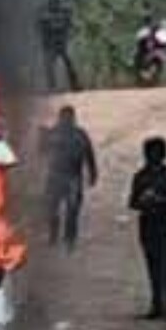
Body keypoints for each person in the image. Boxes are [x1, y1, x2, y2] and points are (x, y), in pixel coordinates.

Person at [128, 136, 166, 321]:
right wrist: (144, 201)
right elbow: (132, 202)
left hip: (163, 223)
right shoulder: (140, 176)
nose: (154, 156)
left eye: (157, 153)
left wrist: (159, 201)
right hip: (148, 224)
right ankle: (157, 305)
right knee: (153, 266)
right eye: (151, 153)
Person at [41, 105, 98, 252]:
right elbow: (42, 152)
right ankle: (53, 235)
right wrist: (42, 137)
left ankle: (69, 239)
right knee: (51, 208)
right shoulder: (52, 133)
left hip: (73, 177)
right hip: (55, 176)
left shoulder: (80, 134)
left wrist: (93, 173)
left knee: (72, 210)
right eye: (64, 118)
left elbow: (89, 154)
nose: (66, 121)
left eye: (69, 118)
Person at [37, 0, 81, 93]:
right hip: (50, 43)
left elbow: (70, 24)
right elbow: (40, 27)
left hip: (62, 42)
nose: (59, 3)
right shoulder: (44, 12)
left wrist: (71, 29)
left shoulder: (65, 11)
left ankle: (75, 85)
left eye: (59, 1)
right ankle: (52, 87)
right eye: (57, 0)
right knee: (49, 66)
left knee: (70, 63)